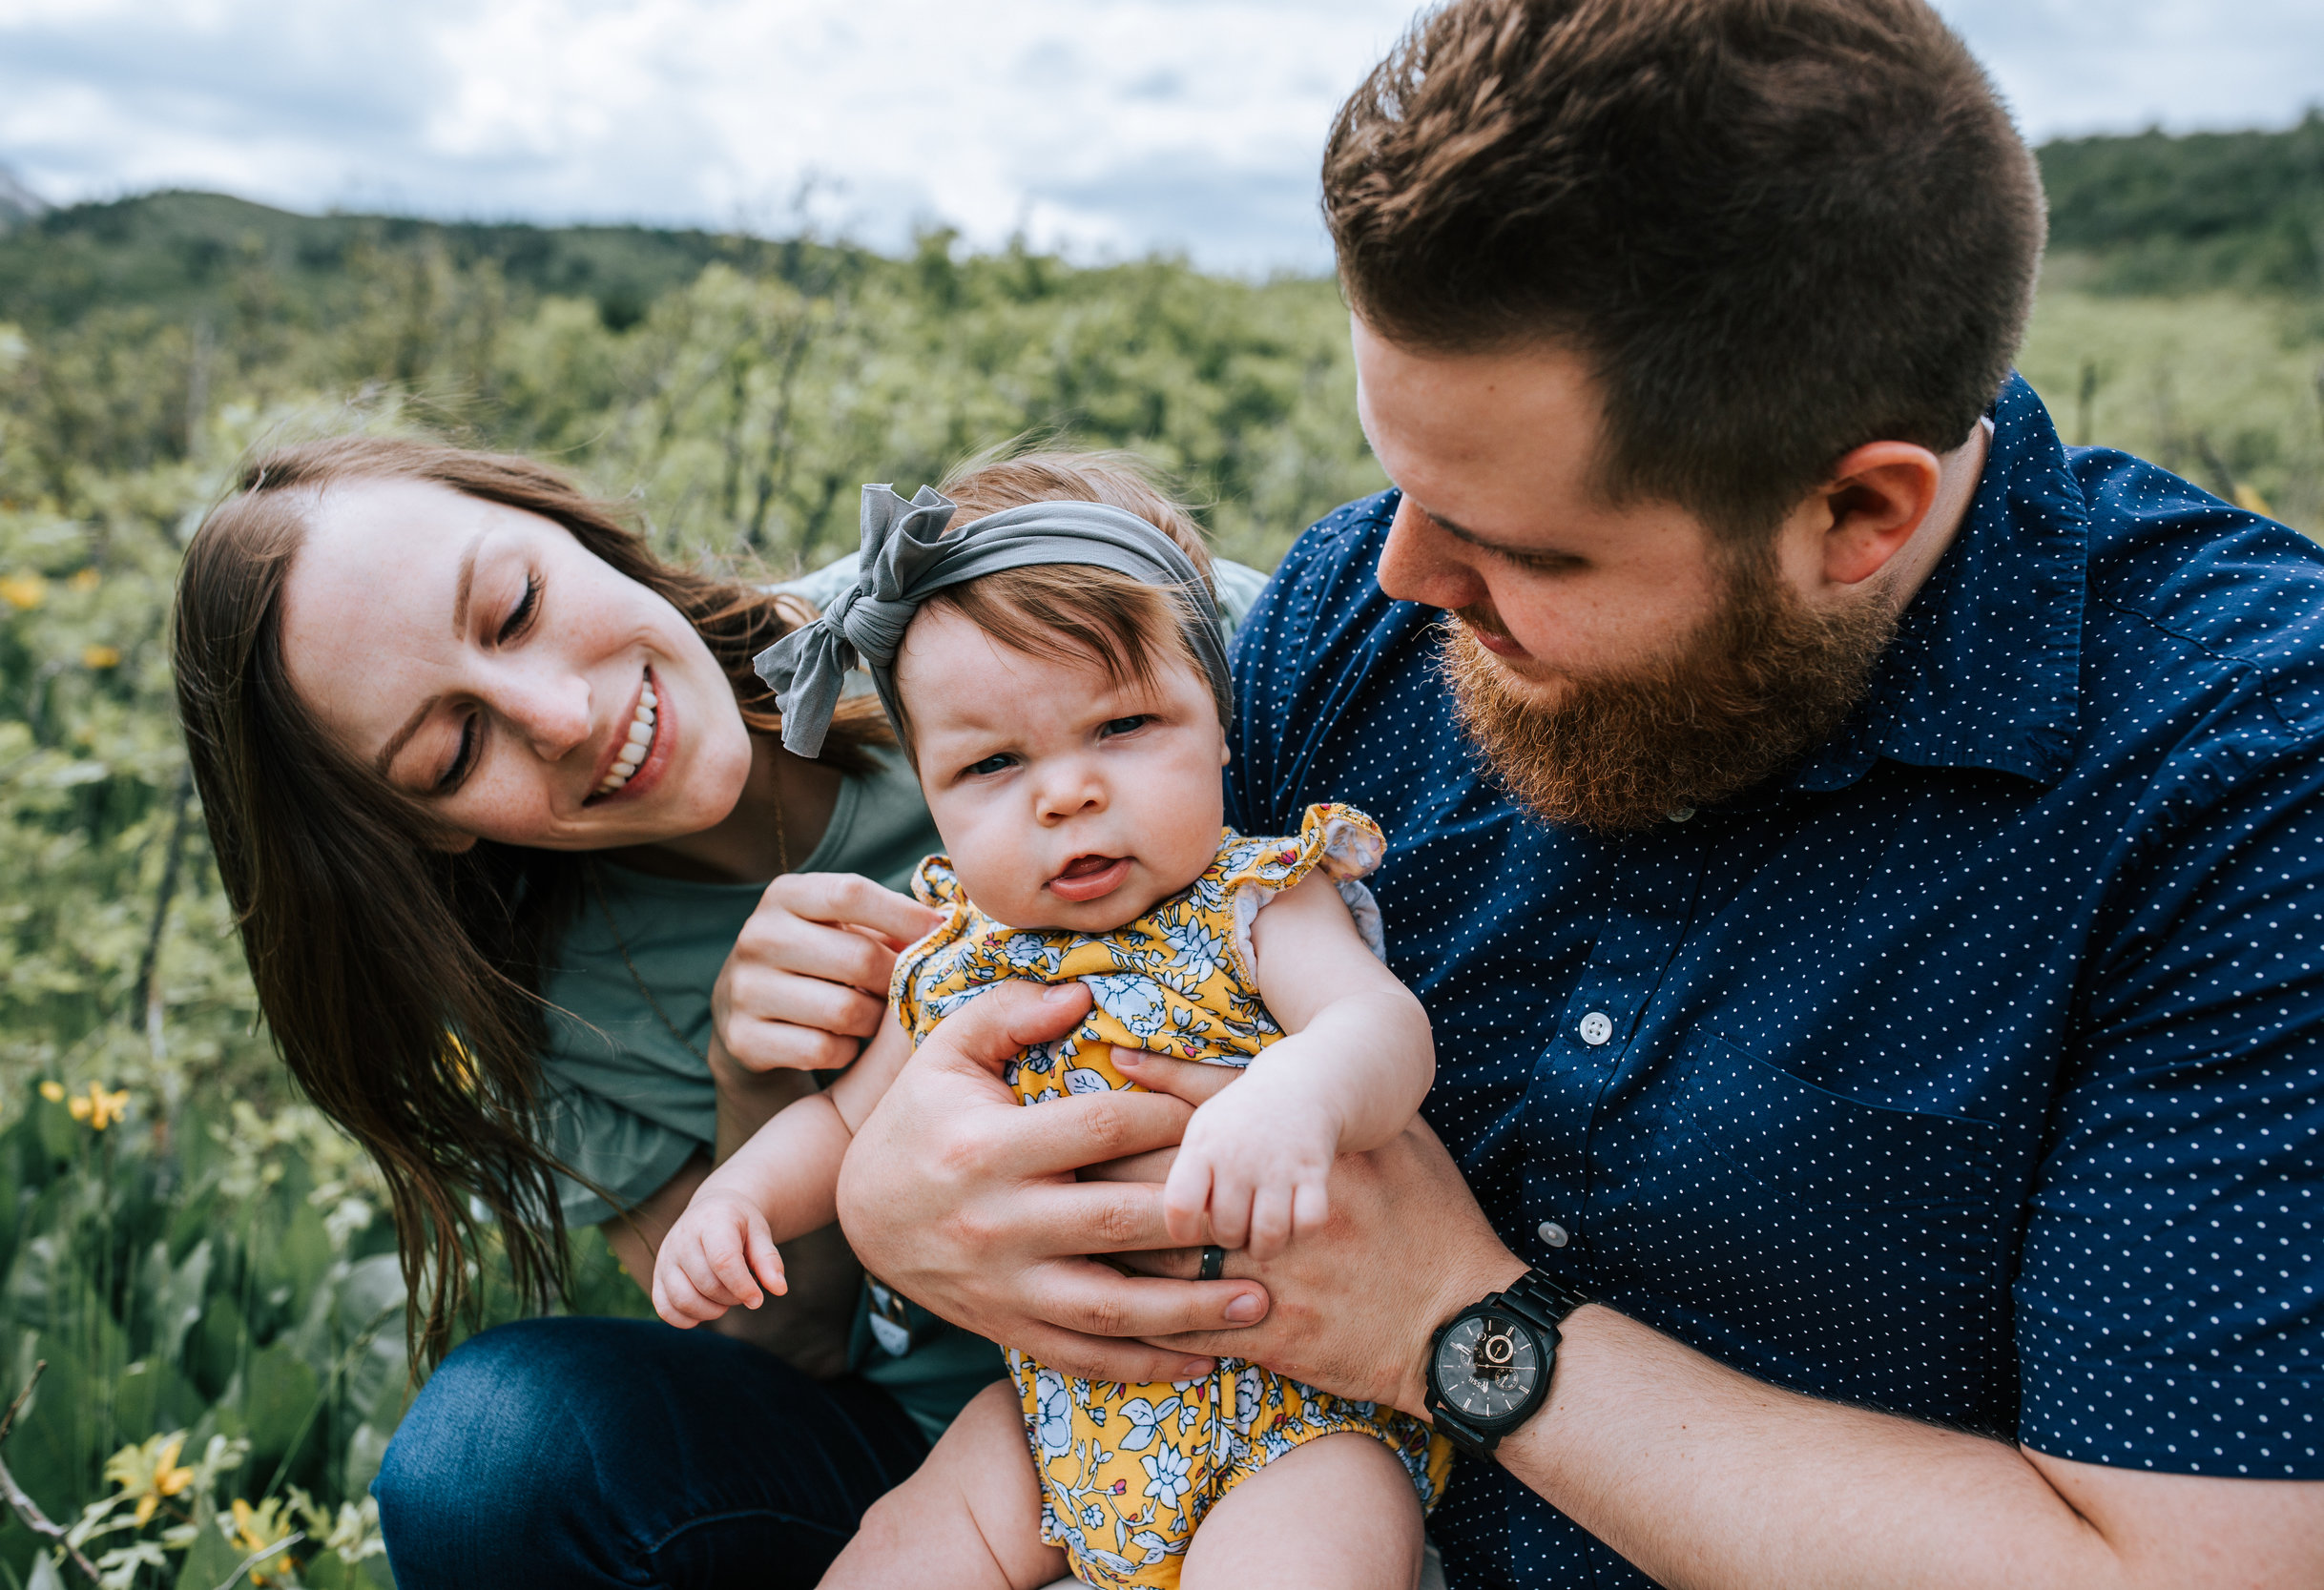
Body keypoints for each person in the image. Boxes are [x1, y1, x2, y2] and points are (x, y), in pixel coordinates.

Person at [823, 2, 2324, 1586]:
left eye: (1522, 547)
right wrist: (899, 1191)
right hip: (1178, 1508)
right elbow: (1130, 977)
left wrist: (1461, 1330)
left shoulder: (2240, 776)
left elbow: (2189, 1565)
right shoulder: (1365, 607)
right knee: (564, 1448)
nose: (1402, 572)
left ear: (1856, 512)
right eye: (1400, 479)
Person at [170, 438, 1267, 1588]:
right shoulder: (540, 1001)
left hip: (1284, 1333)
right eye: (454, 750)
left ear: (575, 529)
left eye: (518, 605)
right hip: (966, 1452)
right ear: (422, 826)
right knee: (492, 1450)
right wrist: (754, 1083)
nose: (560, 714)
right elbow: (780, 1352)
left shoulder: (980, 624)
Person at [650, 482, 1447, 1588]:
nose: (1066, 792)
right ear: (930, 795)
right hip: (1058, 1413)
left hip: (1299, 1411)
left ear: (1219, 726)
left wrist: (1298, 1094)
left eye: (1121, 726)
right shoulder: (951, 960)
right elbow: (843, 1121)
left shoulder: (1255, 902)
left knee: (1306, 1552)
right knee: (895, 1549)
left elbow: (1382, 1027)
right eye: (992, 764)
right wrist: (736, 1198)